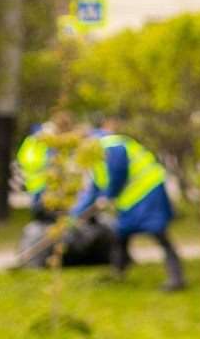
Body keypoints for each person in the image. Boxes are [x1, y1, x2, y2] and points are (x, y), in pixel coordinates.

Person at [72, 123, 184, 291]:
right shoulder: (95, 157)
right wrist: (75, 214)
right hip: (130, 200)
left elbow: (118, 173)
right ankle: (117, 274)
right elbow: (94, 189)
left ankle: (176, 277)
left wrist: (108, 195)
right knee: (121, 236)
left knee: (158, 232)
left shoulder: (111, 145)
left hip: (148, 191)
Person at [16, 121, 56, 218]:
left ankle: (40, 218)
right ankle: (37, 218)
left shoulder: (33, 141)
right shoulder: (36, 142)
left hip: (39, 177)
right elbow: (26, 158)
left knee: (42, 202)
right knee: (37, 202)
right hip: (37, 177)